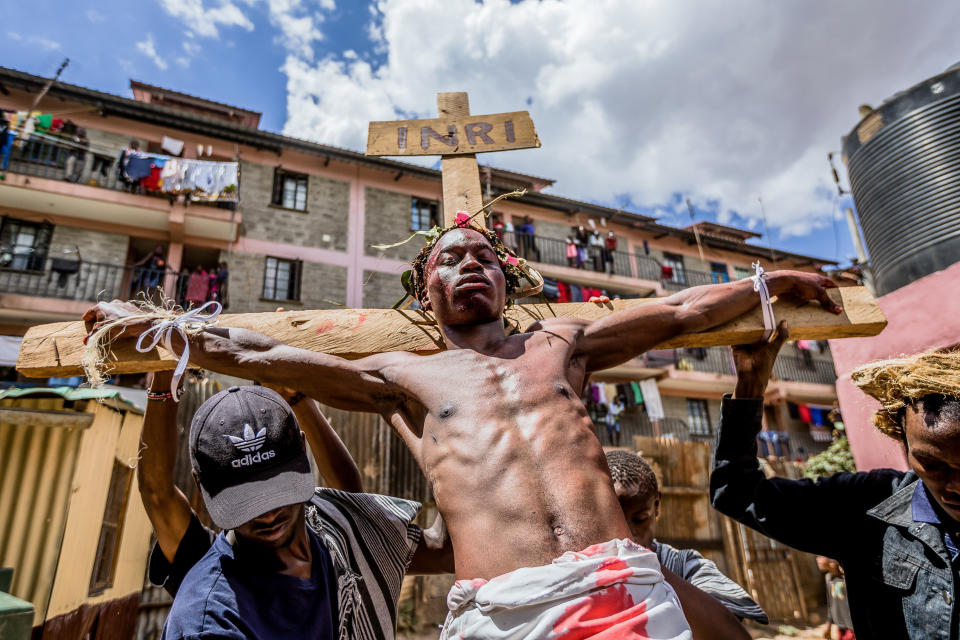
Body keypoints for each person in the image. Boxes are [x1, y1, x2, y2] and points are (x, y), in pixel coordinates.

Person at [84, 215, 839, 639]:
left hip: (620, 589)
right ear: (426, 289)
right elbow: (258, 349)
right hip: (503, 613)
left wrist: (764, 284)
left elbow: (676, 313)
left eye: (485, 256)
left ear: (506, 279)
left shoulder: (562, 344)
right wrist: (154, 328)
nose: (471, 264)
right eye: (450, 259)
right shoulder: (402, 375)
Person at [710, 323, 960, 639]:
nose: (956, 486)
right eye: (934, 465)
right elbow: (736, 490)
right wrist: (750, 383)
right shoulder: (868, 505)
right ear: (904, 443)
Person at [151, 381, 452, 640]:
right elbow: (156, 493)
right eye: (248, 502)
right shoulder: (209, 622)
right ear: (202, 485)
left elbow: (443, 548)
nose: (268, 515)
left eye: (277, 493)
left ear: (303, 456)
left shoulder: (338, 529)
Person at [606, 449, 766, 640]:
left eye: (640, 519)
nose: (629, 535)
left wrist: (646, 566)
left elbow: (731, 634)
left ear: (656, 506)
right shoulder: (581, 568)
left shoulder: (684, 565)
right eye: (615, 522)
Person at [816, 556, 855, 640]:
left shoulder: (845, 579)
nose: (817, 559)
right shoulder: (829, 578)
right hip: (840, 626)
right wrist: (828, 624)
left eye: (820, 556)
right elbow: (831, 604)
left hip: (852, 628)